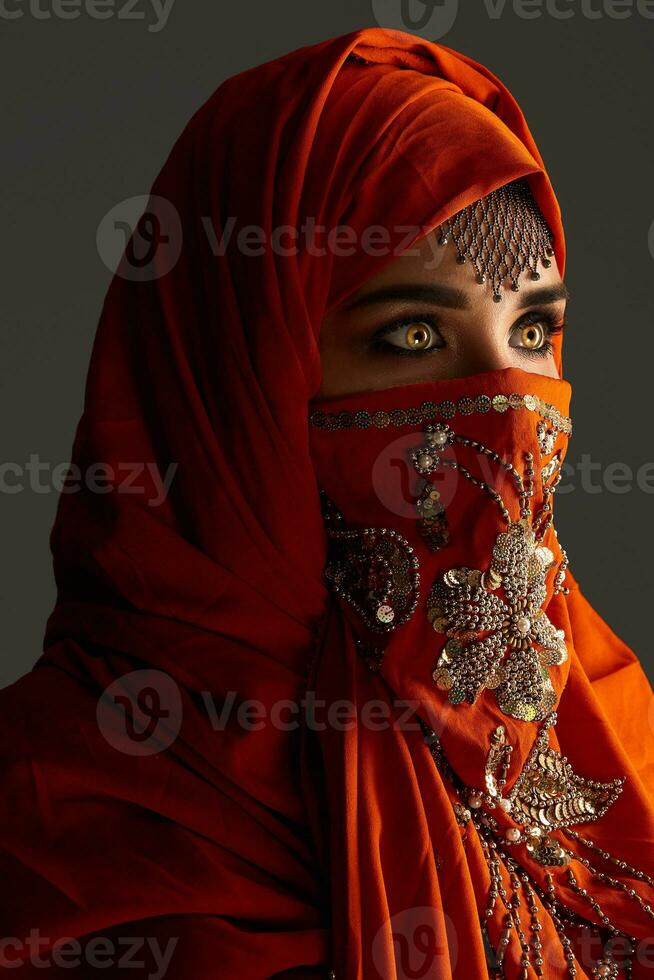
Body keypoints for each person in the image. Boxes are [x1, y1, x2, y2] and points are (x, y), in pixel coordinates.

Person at [0, 24, 652, 980]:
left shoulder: (611, 724)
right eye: (414, 336)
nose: (511, 403)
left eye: (535, 331)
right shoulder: (58, 810)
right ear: (241, 376)